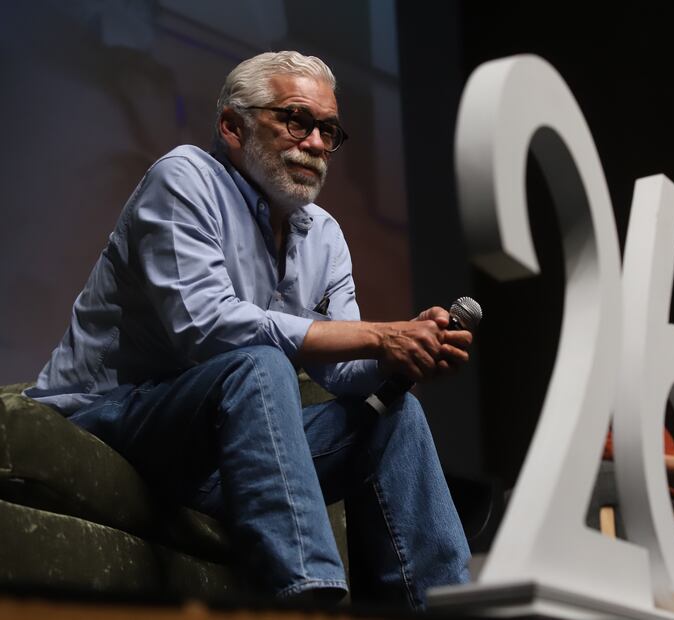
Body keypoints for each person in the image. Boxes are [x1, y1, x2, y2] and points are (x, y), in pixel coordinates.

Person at [25, 51, 471, 608]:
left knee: (394, 417)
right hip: (115, 416)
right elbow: (207, 327)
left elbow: (345, 371)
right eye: (296, 120)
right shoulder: (184, 178)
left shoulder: (324, 235)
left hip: (224, 444)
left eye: (327, 130)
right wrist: (382, 337)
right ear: (232, 126)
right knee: (256, 364)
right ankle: (306, 597)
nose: (314, 144)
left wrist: (400, 358)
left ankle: (442, 606)